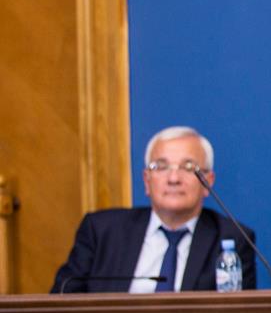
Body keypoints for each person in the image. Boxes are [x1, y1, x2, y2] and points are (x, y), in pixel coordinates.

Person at [52, 126, 257, 293]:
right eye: (160, 166)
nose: (173, 179)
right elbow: (62, 302)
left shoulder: (233, 239)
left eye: (188, 167)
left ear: (207, 182)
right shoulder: (101, 232)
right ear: (146, 181)